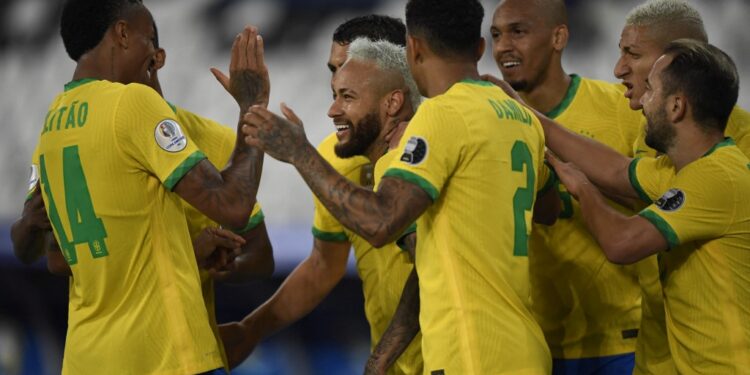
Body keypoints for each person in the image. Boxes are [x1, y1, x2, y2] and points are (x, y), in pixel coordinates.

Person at [241, 0, 560, 372]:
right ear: (479, 48)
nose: (334, 107)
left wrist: (298, 152)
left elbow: (381, 221)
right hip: (524, 347)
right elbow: (548, 209)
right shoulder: (518, 114)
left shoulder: (439, 116)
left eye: (346, 94)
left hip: (470, 349)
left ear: (413, 48)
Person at [26, 0, 268, 373]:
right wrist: (253, 106)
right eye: (148, 45)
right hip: (165, 357)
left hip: (86, 358)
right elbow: (233, 205)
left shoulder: (51, 126)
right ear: (122, 34)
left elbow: (59, 258)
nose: (154, 62)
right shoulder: (133, 105)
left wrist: (181, 254)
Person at [528, 38, 750, 374]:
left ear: (676, 107)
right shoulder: (683, 168)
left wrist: (584, 190)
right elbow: (616, 170)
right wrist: (530, 116)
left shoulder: (717, 177)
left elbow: (622, 242)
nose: (641, 103)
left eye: (651, 90)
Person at [219, 20, 424, 373]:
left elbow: (426, 269)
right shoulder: (336, 156)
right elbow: (323, 265)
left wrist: (381, 356)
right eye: (334, 71)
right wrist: (251, 330)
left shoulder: (431, 146)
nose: (336, 86)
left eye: (352, 72)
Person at [488, 0, 642, 373]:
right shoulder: (486, 122)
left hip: (623, 340)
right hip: (532, 345)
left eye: (518, 32)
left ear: (559, 37)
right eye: (496, 35)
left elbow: (657, 197)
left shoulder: (620, 109)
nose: (503, 45)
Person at [610, 1, 750, 372]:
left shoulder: (741, 147)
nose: (619, 68)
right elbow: (621, 174)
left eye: (633, 54)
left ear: (681, 58)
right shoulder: (654, 131)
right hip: (656, 354)